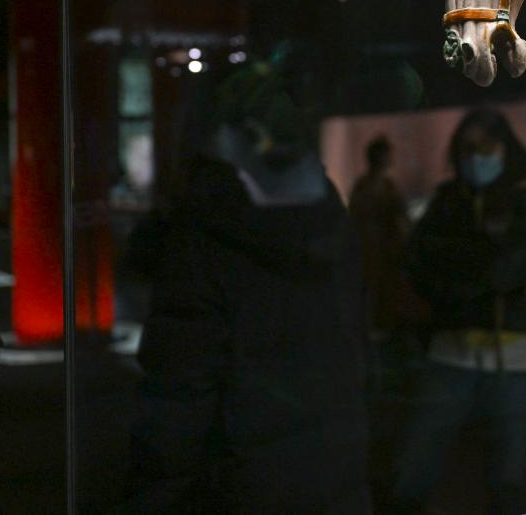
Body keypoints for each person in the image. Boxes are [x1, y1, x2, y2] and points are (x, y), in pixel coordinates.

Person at [122, 59, 371, 514]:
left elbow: (179, 399)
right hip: (336, 476)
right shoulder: (328, 221)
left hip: (241, 488)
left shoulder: (204, 232)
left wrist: (156, 495)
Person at [392, 107, 526, 515]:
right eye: (468, 148)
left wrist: (458, 266)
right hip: (452, 352)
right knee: (413, 471)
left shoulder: (525, 200)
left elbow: (508, 271)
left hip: (515, 357)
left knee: (507, 481)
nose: (477, 156)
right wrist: (478, 261)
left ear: (505, 149)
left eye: (486, 146)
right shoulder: (448, 199)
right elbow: (418, 261)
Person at [349, 136, 410, 340]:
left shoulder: (389, 186)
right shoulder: (363, 187)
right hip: (368, 253)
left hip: (387, 254)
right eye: (385, 155)